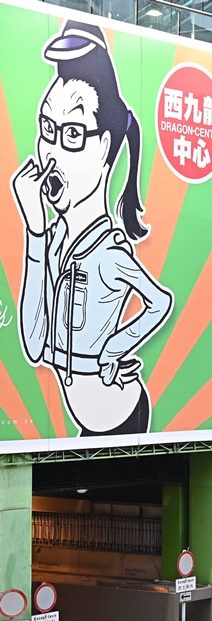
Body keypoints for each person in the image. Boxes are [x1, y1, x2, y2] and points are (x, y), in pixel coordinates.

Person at [14, 21, 173, 438]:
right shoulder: (50, 247)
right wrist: (34, 231)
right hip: (86, 424)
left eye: (71, 134)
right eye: (47, 131)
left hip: (120, 417)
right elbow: (33, 345)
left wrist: (117, 346)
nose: (52, 153)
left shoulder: (109, 253)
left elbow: (159, 301)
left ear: (104, 146)